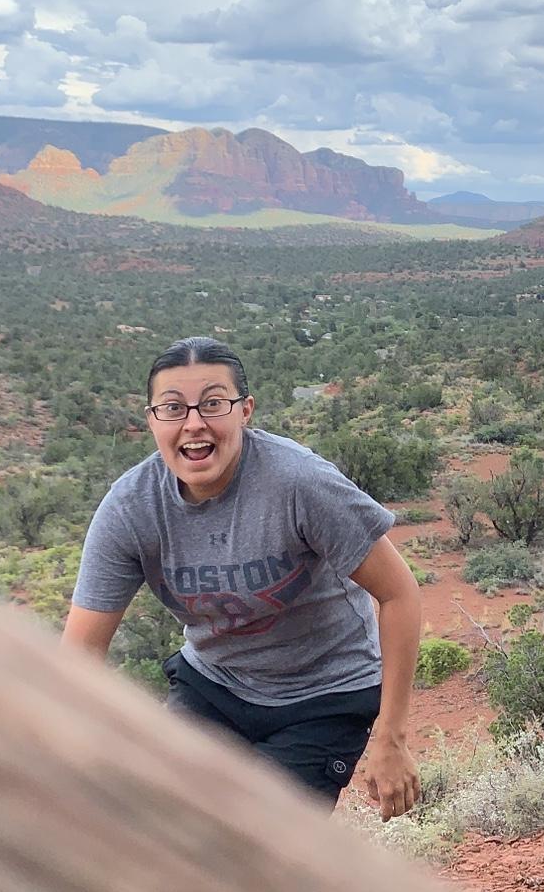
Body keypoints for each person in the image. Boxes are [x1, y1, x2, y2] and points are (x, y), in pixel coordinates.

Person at [63, 335, 423, 820]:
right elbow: (80, 654)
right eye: (173, 408)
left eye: (213, 404)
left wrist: (391, 736)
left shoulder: (299, 483)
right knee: (166, 823)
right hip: (215, 686)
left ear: (245, 410)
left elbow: (399, 593)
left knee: (264, 839)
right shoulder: (131, 509)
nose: (194, 424)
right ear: (151, 420)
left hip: (325, 693)